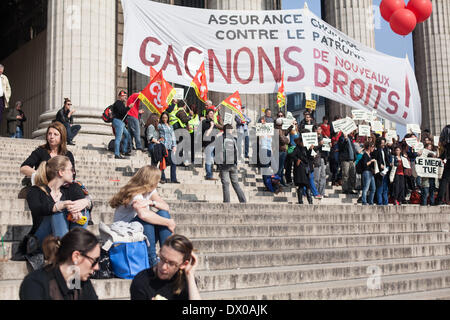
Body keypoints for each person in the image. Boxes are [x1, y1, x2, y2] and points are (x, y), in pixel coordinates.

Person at [110, 165, 176, 267]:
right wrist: (168, 222)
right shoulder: (134, 193)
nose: (158, 183)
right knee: (145, 220)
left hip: (139, 233)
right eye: (157, 180)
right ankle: (152, 260)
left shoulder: (149, 191)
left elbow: (166, 207)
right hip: (126, 235)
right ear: (151, 181)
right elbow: (143, 215)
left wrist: (151, 202)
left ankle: (167, 257)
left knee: (163, 213)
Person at [26, 156, 92, 245]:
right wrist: (59, 205)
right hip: (42, 239)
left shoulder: (70, 188)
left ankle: (70, 248)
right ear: (61, 172)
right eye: (71, 169)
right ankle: (68, 250)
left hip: (64, 235)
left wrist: (85, 202)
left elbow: (84, 201)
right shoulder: (35, 190)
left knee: (83, 211)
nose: (74, 172)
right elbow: (37, 209)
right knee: (58, 211)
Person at [19, 228, 100, 300]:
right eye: (94, 261)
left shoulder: (81, 282)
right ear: (76, 256)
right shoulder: (35, 283)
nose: (97, 267)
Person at [130, 234, 201, 300]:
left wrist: (190, 275)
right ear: (160, 252)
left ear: (183, 264)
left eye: (171, 263)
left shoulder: (185, 280)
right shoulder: (142, 281)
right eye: (162, 259)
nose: (163, 267)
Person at [218, 124, 247, 203]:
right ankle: (243, 201)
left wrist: (219, 166)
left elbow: (219, 153)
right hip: (233, 164)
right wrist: (236, 163)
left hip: (224, 165)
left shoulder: (221, 138)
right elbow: (237, 151)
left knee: (226, 184)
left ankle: (227, 202)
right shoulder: (234, 139)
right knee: (236, 184)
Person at [158, 112, 179, 184]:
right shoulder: (160, 125)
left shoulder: (171, 126)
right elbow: (155, 131)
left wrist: (174, 146)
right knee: (163, 162)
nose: (164, 119)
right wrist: (158, 140)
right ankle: (162, 177)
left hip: (170, 146)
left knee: (173, 162)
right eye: (163, 118)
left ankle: (173, 178)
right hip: (163, 146)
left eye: (166, 117)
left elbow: (173, 136)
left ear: (168, 118)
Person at [291, 137, 314, 204]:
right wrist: (297, 160)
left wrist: (310, 149)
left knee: (307, 185)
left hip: (305, 169)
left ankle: (309, 201)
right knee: (303, 185)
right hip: (300, 170)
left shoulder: (305, 148)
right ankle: (302, 201)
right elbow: (291, 155)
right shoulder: (296, 148)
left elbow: (308, 156)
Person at [111, 90, 131, 159]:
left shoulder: (121, 103)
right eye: (123, 96)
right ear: (119, 96)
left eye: (125, 96)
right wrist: (128, 107)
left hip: (120, 122)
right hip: (118, 121)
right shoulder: (118, 103)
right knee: (118, 138)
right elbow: (121, 112)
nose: (125, 97)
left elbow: (122, 113)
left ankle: (124, 150)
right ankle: (117, 154)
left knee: (127, 135)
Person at [201, 109, 219, 181]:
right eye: (210, 113)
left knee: (211, 160)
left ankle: (210, 174)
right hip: (208, 143)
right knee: (209, 159)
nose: (212, 115)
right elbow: (206, 134)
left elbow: (215, 134)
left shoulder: (213, 123)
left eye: (213, 113)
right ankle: (209, 175)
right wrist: (211, 126)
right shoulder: (205, 122)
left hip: (214, 143)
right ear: (207, 115)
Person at [373, 137, 391, 205]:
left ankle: (386, 202)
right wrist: (379, 164)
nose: (383, 144)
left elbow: (387, 160)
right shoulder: (376, 151)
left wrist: (388, 165)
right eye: (382, 143)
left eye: (384, 143)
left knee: (385, 188)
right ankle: (380, 203)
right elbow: (375, 160)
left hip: (386, 171)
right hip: (380, 172)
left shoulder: (385, 151)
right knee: (380, 188)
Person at [436, 124, 450, 205]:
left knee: (445, 179)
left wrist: (442, 156)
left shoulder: (446, 129)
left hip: (448, 157)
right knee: (445, 179)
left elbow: (441, 142)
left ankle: (440, 199)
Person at [275, 118, 290, 186]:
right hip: (280, 151)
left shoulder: (278, 130)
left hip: (280, 150)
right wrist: (287, 140)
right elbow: (283, 140)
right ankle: (277, 182)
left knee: (281, 169)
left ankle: (282, 182)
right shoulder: (278, 131)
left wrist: (290, 127)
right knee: (279, 168)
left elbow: (285, 132)